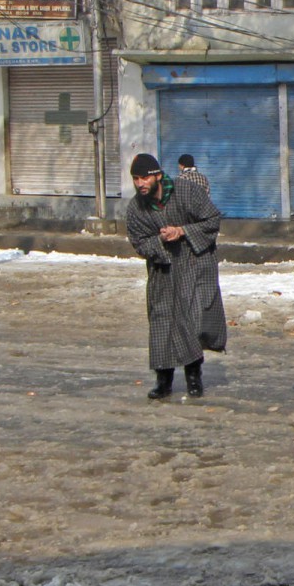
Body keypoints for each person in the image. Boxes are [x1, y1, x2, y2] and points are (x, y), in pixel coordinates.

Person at [124, 152, 227, 400]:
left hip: (194, 264)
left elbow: (212, 220)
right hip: (163, 270)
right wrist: (160, 239)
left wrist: (182, 231)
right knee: (161, 322)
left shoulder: (187, 192)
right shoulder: (136, 208)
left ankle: (194, 377)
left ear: (158, 176)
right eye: (136, 179)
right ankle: (163, 380)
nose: (140, 184)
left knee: (191, 320)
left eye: (145, 178)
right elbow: (139, 243)